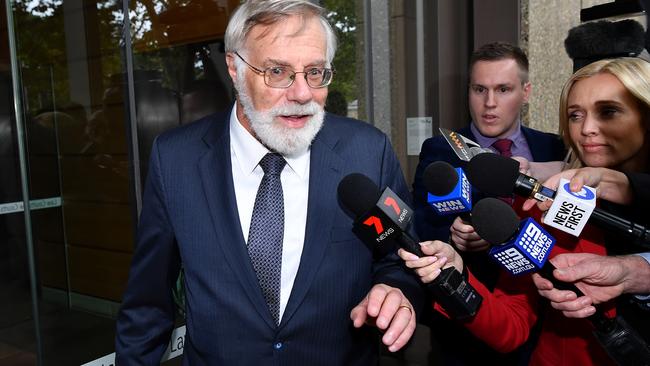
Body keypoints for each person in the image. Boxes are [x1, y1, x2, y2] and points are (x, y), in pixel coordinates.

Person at [114, 1, 422, 365]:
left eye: (315, 72)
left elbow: (403, 258)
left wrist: (396, 290)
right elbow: (147, 306)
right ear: (234, 67)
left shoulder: (368, 153)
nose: (302, 94)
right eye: (277, 71)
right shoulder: (176, 160)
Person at [402, 57, 650, 365]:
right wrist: (457, 277)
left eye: (608, 111)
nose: (587, 129)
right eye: (575, 115)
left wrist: (637, 273)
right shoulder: (545, 202)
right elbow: (512, 324)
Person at [412, 42, 565, 365]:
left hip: (543, 320)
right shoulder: (440, 150)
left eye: (503, 89)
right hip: (464, 325)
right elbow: (423, 224)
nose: (489, 103)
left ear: (526, 92)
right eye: (479, 89)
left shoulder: (555, 148)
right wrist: (454, 238)